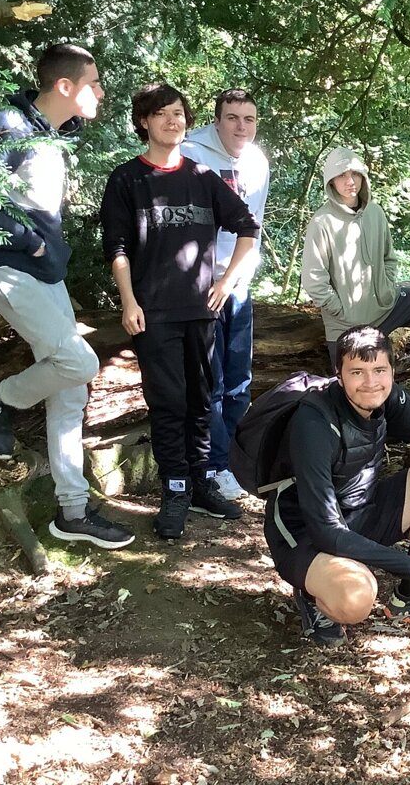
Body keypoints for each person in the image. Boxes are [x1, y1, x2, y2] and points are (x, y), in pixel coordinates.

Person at [0, 43, 134, 550]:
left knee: (70, 390)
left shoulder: (48, 133)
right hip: (10, 271)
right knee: (79, 363)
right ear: (65, 86)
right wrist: (30, 241)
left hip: (44, 275)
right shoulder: (9, 126)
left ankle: (73, 512)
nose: (101, 92)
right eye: (93, 83)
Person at [100, 83, 260, 539]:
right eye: (163, 114)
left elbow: (248, 227)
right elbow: (118, 247)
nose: (173, 121)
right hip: (153, 314)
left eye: (179, 113)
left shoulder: (203, 176)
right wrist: (128, 301)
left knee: (200, 401)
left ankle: (202, 483)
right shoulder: (128, 180)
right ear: (144, 122)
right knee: (168, 404)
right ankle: (175, 491)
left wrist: (225, 282)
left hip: (201, 312)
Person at [263, 326, 410, 646]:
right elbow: (326, 531)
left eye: (379, 370)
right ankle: (311, 591)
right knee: (357, 598)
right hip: (305, 532)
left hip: (361, 511)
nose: (371, 382)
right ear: (339, 374)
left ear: (391, 370)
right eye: (357, 372)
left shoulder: (388, 397)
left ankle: (408, 598)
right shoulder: (314, 422)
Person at [301, 147, 410, 386]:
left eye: (354, 174)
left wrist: (386, 287)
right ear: (330, 182)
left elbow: (389, 258)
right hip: (347, 325)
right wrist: (343, 311)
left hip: (387, 306)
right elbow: (314, 280)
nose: (349, 181)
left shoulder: (375, 212)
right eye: (341, 176)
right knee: (360, 388)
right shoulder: (322, 222)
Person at [181, 88, 271, 500]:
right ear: (216, 120)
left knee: (239, 381)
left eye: (248, 119)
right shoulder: (192, 155)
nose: (241, 126)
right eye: (232, 118)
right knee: (210, 382)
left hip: (239, 285)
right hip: (203, 286)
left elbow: (253, 225)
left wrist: (239, 278)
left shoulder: (257, 162)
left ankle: (235, 461)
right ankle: (214, 465)